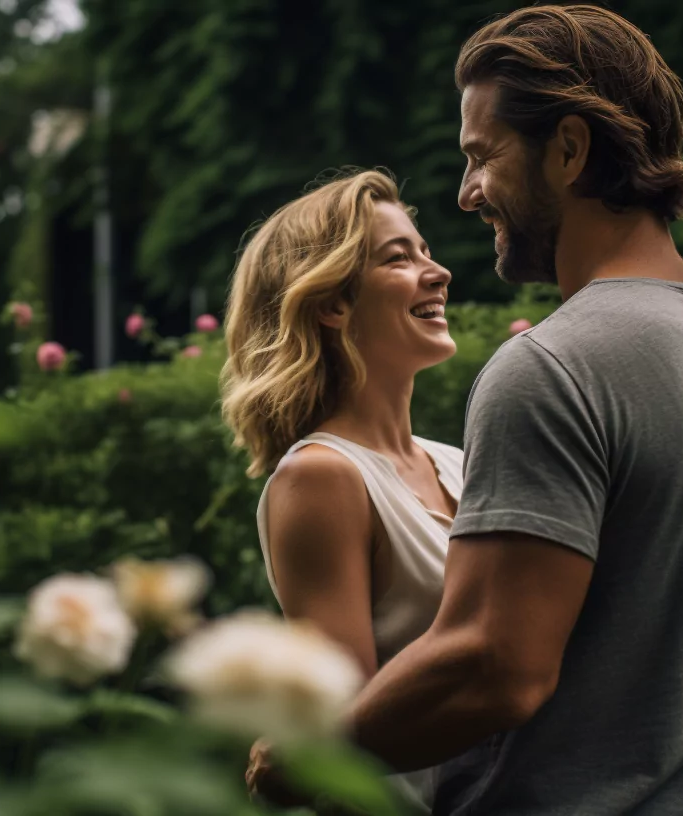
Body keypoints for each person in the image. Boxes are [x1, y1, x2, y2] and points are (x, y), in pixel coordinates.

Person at [336, 6, 683, 815]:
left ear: (571, 148)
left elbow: (495, 665)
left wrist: (314, 750)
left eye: (483, 157)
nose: (467, 192)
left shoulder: (551, 366)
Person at [220, 169, 461, 811]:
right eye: (398, 258)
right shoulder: (321, 477)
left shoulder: (462, 463)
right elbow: (345, 727)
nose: (436, 273)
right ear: (333, 303)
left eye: (425, 251)